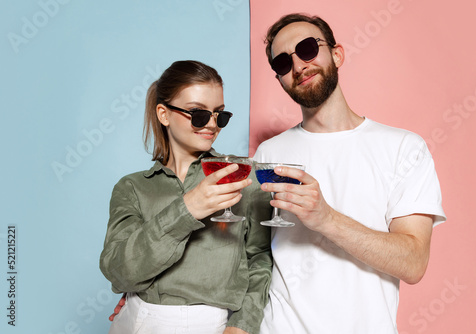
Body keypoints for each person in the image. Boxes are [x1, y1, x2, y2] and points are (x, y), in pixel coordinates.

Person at [253, 13, 447, 333]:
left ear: (337, 54)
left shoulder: (403, 148)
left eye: (306, 49)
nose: (299, 66)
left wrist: (326, 218)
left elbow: (413, 263)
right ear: (279, 80)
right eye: (283, 63)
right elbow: (254, 259)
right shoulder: (268, 155)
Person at [99, 60, 272, 334]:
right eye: (198, 114)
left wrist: (241, 325)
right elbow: (120, 273)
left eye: (220, 115)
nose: (212, 125)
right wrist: (187, 209)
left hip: (213, 324)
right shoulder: (132, 188)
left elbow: (260, 258)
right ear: (164, 114)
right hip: (137, 319)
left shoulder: (242, 176)